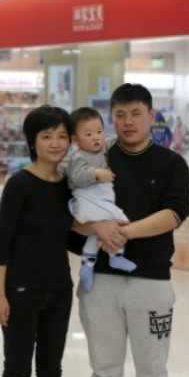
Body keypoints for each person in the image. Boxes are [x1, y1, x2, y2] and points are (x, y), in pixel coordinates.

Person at [77, 84, 189, 377]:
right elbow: (69, 214)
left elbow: (176, 212)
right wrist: (97, 227)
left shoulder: (171, 163)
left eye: (136, 114)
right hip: (101, 281)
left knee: (153, 369)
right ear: (111, 116)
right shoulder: (92, 160)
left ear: (152, 115)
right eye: (121, 115)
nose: (128, 122)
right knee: (104, 367)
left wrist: (123, 231)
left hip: (152, 282)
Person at [0, 105, 86, 377]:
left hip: (59, 290)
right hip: (21, 291)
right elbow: (2, 244)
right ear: (32, 142)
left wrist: (109, 228)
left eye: (62, 136)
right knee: (17, 370)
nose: (56, 143)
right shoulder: (19, 184)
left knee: (51, 370)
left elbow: (70, 234)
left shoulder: (68, 184)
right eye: (47, 136)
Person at [65, 107, 136, 292]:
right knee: (121, 221)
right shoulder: (78, 156)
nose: (96, 137)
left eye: (99, 131)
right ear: (75, 140)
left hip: (102, 196)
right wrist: (95, 173)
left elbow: (118, 142)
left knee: (97, 233)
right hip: (89, 197)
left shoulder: (104, 147)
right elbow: (76, 177)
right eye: (89, 134)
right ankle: (116, 255)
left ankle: (87, 266)